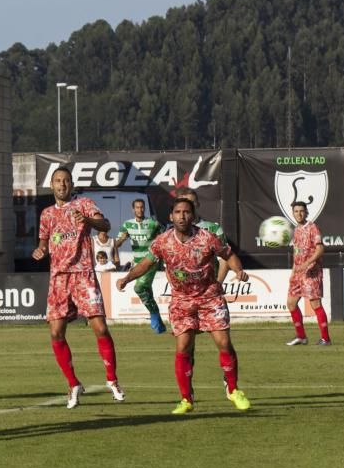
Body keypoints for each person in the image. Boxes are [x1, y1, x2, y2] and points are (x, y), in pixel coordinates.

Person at [117, 196, 251, 414]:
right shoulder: (162, 241)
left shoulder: (207, 238)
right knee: (183, 346)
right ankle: (186, 399)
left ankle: (233, 390)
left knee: (224, 342)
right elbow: (145, 263)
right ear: (171, 216)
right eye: (178, 212)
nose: (182, 216)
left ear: (193, 216)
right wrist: (127, 278)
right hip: (181, 300)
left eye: (186, 212)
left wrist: (238, 270)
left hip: (210, 296)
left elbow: (228, 254)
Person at [32, 167, 125, 410]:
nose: (62, 184)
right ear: (52, 185)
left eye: (66, 181)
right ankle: (73, 384)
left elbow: (105, 224)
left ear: (71, 184)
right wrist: (40, 250)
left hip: (83, 273)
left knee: (100, 327)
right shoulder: (47, 214)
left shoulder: (83, 204)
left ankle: (112, 380)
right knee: (56, 333)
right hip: (59, 278)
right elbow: (44, 241)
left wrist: (90, 220)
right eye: (57, 181)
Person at [114, 198, 165, 333]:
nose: (140, 210)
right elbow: (117, 244)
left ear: (144, 209)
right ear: (133, 209)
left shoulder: (153, 224)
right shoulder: (127, 225)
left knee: (139, 287)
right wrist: (121, 240)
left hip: (151, 261)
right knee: (146, 290)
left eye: (142, 207)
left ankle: (154, 314)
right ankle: (158, 321)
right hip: (137, 263)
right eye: (137, 207)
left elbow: (164, 239)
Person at [286, 200, 331, 346]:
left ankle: (325, 339)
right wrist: (293, 272)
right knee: (291, 303)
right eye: (296, 211)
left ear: (306, 213)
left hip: (312, 272)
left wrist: (306, 264)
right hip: (298, 274)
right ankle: (301, 337)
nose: (299, 214)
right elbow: (297, 252)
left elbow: (320, 249)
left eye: (301, 211)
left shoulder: (312, 227)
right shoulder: (297, 229)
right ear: (293, 213)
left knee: (315, 304)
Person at [175, 187, 229, 284]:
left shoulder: (214, 229)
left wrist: (218, 285)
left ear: (198, 204)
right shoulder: (170, 232)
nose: (188, 206)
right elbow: (169, 265)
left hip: (209, 289)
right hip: (183, 291)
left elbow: (225, 259)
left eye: (192, 202)